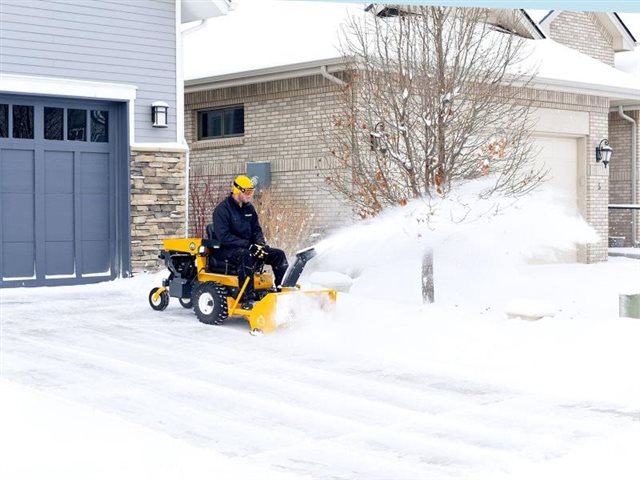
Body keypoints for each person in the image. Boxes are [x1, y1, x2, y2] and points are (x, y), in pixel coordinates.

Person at [211, 175, 288, 302]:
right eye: (247, 192)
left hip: (248, 247)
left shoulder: (249, 208)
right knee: (247, 255)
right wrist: (248, 245)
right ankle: (247, 298)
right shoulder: (222, 210)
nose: (250, 195)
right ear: (237, 190)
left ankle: (282, 288)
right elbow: (224, 237)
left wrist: (259, 244)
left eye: (252, 192)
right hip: (226, 250)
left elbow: (256, 229)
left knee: (278, 255)